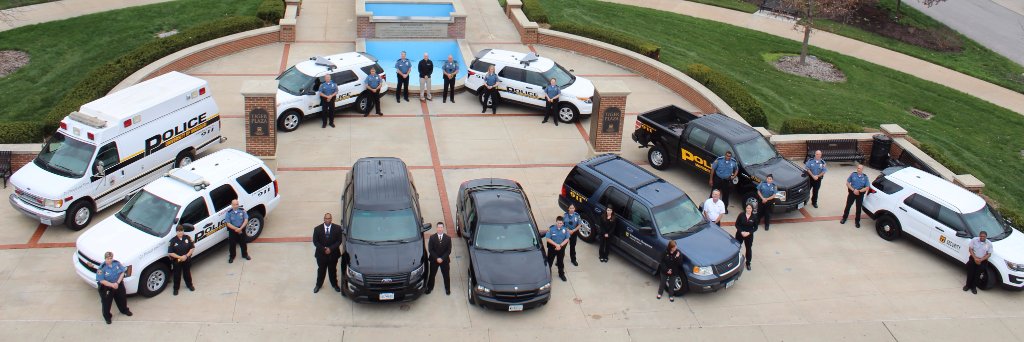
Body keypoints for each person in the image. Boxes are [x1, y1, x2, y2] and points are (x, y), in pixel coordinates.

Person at [96, 251, 132, 324]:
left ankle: (124, 310)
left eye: (111, 258)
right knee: (106, 303)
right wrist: (112, 285)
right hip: (107, 287)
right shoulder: (101, 268)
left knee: (122, 298)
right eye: (108, 258)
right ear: (105, 259)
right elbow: (101, 280)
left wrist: (117, 282)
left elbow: (122, 272)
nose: (109, 260)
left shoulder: (116, 263)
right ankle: (107, 317)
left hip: (118, 283)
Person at [313, 213, 343, 293]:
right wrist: (324, 249)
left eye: (329, 218)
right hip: (321, 255)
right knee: (321, 271)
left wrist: (330, 249)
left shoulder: (338, 228)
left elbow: (339, 241)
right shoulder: (317, 229)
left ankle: (334, 285)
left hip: (333, 254)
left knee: (332, 270)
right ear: (324, 219)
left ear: (331, 219)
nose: (327, 220)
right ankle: (318, 285)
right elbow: (315, 242)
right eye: (326, 218)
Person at [167, 224, 195, 296]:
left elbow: (192, 248)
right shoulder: (172, 241)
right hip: (177, 261)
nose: (180, 233)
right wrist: (180, 257)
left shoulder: (187, 238)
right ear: (176, 232)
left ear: (183, 231)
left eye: (181, 231)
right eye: (178, 231)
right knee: (177, 275)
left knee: (187, 273)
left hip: (186, 259)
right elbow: (170, 252)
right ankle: (176, 289)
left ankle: (189, 285)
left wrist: (186, 256)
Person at [426, 222, 452, 295]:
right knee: (432, 275)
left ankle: (447, 289)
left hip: (444, 260)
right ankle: (430, 288)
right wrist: (437, 258)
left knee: (446, 275)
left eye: (441, 227)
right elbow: (430, 249)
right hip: (434, 260)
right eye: (438, 227)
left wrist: (442, 258)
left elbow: (449, 250)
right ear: (436, 228)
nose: (440, 229)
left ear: (443, 228)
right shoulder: (432, 237)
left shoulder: (448, 238)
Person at [545, 216, 570, 281]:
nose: (559, 224)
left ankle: (561, 274)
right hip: (552, 248)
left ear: (563, 223)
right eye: (558, 223)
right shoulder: (551, 229)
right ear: (556, 222)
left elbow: (567, 239)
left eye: (561, 223)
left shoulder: (565, 229)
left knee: (560, 262)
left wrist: (560, 245)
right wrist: (556, 245)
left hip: (561, 248)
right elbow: (548, 239)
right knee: (549, 262)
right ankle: (547, 275)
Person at [734, 203, 757, 271]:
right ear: (745, 208)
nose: (748, 209)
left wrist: (749, 233)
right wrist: (741, 231)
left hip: (749, 235)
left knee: (748, 249)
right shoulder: (741, 215)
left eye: (750, 208)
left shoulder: (754, 217)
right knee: (737, 247)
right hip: (740, 234)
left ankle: (748, 263)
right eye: (747, 208)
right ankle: (735, 261)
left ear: (752, 209)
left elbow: (755, 227)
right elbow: (736, 224)